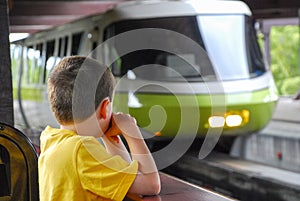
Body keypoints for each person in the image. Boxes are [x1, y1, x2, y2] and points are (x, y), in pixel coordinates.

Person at [38, 56, 161, 201]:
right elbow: (151, 185)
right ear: (105, 107)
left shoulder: (50, 139)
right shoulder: (81, 150)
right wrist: (132, 132)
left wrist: (109, 135)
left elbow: (124, 175)